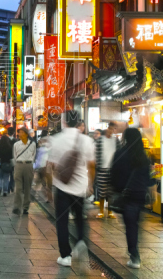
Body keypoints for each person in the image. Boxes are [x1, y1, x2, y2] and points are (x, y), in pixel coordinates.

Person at [48, 111, 95, 274]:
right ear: (78, 122)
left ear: (64, 122)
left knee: (62, 221)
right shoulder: (87, 141)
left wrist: (49, 185)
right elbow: (92, 165)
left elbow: (52, 166)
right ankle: (81, 241)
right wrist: (90, 184)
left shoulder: (56, 140)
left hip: (62, 187)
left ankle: (65, 256)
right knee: (80, 217)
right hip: (80, 187)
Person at [110, 127, 153, 270]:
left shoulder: (120, 153)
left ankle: (134, 255)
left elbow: (113, 173)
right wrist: (150, 191)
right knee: (135, 223)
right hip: (139, 194)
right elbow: (149, 177)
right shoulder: (143, 155)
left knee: (130, 225)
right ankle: (134, 251)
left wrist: (114, 190)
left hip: (125, 194)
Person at [95, 121, 120, 219]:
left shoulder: (116, 140)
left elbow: (119, 153)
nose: (111, 131)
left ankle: (110, 211)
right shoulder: (100, 140)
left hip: (113, 170)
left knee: (110, 192)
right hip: (102, 169)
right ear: (108, 128)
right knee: (102, 192)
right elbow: (97, 154)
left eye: (114, 129)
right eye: (110, 128)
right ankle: (101, 211)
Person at [12, 127, 37, 215]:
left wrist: (30, 163)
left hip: (29, 165)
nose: (20, 134)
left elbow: (34, 154)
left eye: (23, 132)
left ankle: (25, 207)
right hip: (19, 165)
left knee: (27, 187)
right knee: (18, 188)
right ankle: (17, 207)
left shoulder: (32, 144)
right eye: (19, 132)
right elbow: (15, 155)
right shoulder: (16, 144)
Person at [0, 129, 13, 197]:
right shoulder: (10, 148)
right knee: (6, 178)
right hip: (7, 164)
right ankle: (5, 191)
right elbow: (11, 157)